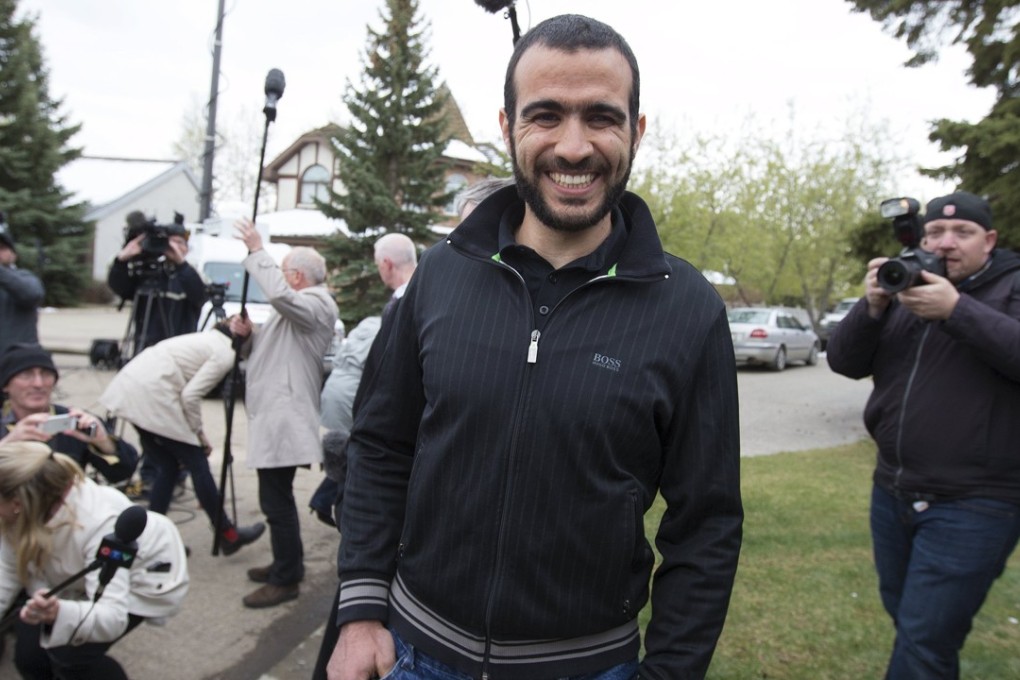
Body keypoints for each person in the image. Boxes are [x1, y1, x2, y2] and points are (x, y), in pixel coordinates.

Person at [327, 14, 743, 680]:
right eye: (545, 115)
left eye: (601, 118)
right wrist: (360, 609)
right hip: (414, 653)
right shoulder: (440, 274)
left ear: (636, 131)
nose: (573, 148)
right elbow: (380, 446)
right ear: (507, 126)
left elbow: (707, 524)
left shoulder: (687, 309)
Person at [827, 191, 1020, 679]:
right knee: (912, 623)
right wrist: (873, 305)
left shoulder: (1011, 287)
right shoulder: (907, 287)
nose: (946, 243)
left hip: (976, 500)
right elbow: (844, 361)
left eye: (962, 232)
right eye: (935, 232)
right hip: (892, 489)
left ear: (989, 240)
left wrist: (957, 310)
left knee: (924, 638)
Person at [0, 441, 189, 679]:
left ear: (17, 504)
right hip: (75, 580)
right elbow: (6, 574)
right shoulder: (23, 511)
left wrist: (59, 612)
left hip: (141, 577)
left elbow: (112, 617)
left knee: (70, 659)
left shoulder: (98, 522)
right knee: (30, 658)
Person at [229, 218, 338, 609]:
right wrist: (247, 337)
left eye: (283, 270)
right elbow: (270, 351)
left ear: (295, 276)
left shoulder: (317, 303)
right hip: (277, 417)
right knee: (276, 499)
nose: (280, 276)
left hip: (285, 419)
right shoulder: (297, 308)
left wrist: (258, 251)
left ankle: (287, 577)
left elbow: (279, 297)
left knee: (276, 502)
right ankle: (285, 564)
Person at [98, 320, 266, 555]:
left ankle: (150, 537)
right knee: (197, 463)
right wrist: (198, 434)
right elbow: (190, 396)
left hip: (132, 389)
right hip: (153, 396)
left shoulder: (208, 339)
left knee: (168, 467)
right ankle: (227, 534)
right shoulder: (225, 353)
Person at [1, 343, 138, 485]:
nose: (38, 383)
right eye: (26, 375)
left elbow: (123, 473)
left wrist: (104, 443)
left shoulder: (73, 421)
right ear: (5, 385)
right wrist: (7, 444)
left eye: (46, 374)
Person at [106, 211, 206, 360]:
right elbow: (120, 287)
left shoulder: (190, 274)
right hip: (146, 352)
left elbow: (199, 296)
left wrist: (181, 265)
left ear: (187, 248)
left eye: (180, 243)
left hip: (179, 351)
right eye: (171, 243)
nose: (174, 248)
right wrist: (121, 261)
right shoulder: (149, 274)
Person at [0, 214, 45, 357]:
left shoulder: (24, 277)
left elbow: (32, 295)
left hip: (16, 360)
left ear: (14, 255)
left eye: (2, 248)